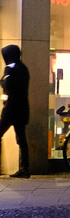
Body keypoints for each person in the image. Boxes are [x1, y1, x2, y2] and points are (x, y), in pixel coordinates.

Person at [1, 45, 29, 178]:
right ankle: (24, 168)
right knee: (21, 139)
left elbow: (8, 84)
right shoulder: (21, 68)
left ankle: (24, 169)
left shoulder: (14, 69)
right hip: (21, 109)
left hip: (12, 108)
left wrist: (5, 77)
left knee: (20, 138)